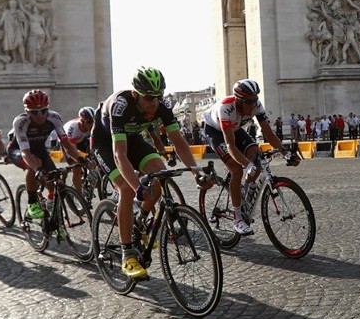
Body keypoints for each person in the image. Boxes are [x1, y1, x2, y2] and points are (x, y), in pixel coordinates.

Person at [90, 67, 213, 280]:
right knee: (127, 189)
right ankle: (127, 254)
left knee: (160, 175)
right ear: (135, 94)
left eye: (158, 96)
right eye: (148, 98)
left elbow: (179, 142)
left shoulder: (161, 106)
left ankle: (139, 220)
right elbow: (119, 155)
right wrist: (137, 187)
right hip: (106, 143)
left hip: (132, 139)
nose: (154, 102)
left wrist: (196, 174)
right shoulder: (121, 106)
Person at [201, 79, 299, 235]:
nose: (253, 105)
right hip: (215, 131)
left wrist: (286, 153)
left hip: (235, 128)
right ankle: (238, 219)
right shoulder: (225, 108)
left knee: (257, 156)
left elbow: (268, 134)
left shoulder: (256, 105)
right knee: (236, 169)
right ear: (238, 100)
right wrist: (247, 165)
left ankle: (245, 190)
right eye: (248, 102)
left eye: (255, 100)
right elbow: (230, 146)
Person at [7, 89, 81, 222]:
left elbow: (66, 143)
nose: (40, 115)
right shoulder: (21, 122)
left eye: (43, 110)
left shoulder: (54, 117)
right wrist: (38, 169)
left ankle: (51, 208)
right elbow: (26, 153)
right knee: (34, 166)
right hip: (18, 150)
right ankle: (32, 203)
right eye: (35, 112)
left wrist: (80, 158)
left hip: (39, 148)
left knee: (53, 179)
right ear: (27, 111)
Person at [62, 106, 96, 198]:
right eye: (89, 122)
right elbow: (71, 150)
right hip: (68, 143)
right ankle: (79, 196)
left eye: (94, 121)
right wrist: (82, 159)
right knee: (77, 168)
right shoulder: (72, 128)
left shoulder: (93, 127)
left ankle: (86, 179)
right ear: (82, 121)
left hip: (81, 140)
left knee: (94, 159)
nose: (92, 124)